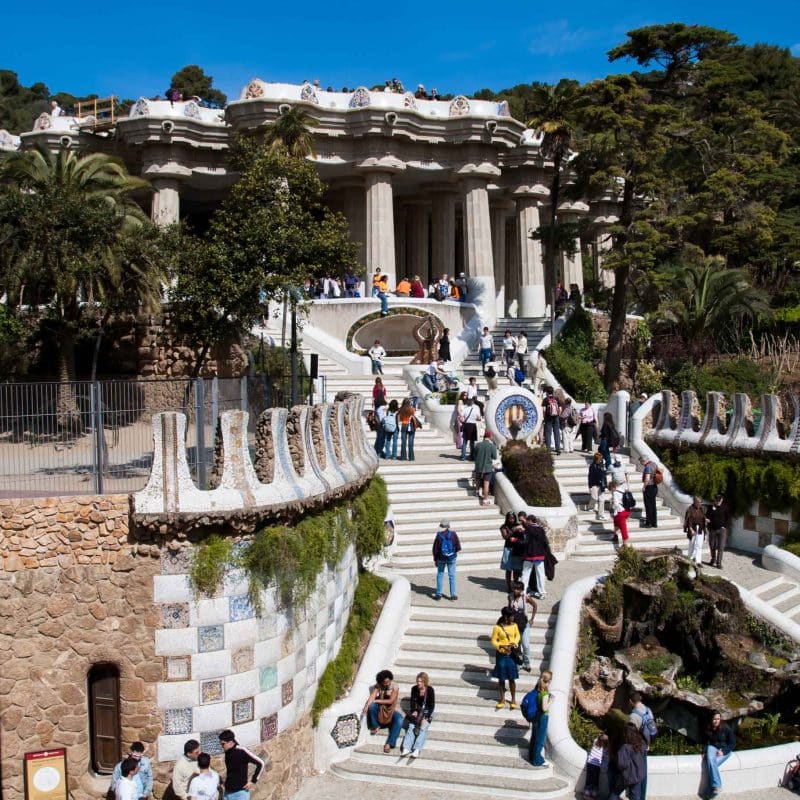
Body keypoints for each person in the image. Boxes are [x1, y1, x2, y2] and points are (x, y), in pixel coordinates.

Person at [362, 670, 404, 753]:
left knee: (399, 719)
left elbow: (390, 701)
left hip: (390, 711)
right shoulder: (378, 685)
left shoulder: (395, 686)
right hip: (380, 709)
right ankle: (375, 726)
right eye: (385, 682)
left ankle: (389, 743)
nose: (387, 684)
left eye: (388, 681)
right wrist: (367, 705)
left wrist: (377, 701)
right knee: (372, 706)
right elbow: (372, 696)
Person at [218, 730, 264, 800]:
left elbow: (261, 763)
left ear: (230, 742)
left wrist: (253, 781)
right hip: (227, 793)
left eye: (223, 744)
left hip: (240, 794)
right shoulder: (227, 752)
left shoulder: (242, 751)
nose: (222, 746)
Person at [628, 690, 657, 800]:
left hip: (637, 747)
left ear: (631, 701)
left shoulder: (634, 716)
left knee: (636, 773)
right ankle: (642, 797)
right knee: (643, 772)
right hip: (646, 745)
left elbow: (630, 735)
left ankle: (636, 797)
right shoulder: (648, 710)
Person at [491, 607, 520, 709]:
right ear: (506, 617)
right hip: (502, 654)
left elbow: (517, 636)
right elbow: (493, 641)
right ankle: (502, 699)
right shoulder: (497, 627)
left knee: (512, 678)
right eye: (511, 616)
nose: (513, 618)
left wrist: (514, 643)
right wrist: (501, 646)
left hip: (511, 654)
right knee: (501, 678)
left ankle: (513, 699)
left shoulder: (514, 625)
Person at [400, 672, 435, 758]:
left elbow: (432, 705)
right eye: (418, 681)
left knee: (423, 728)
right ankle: (407, 748)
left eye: (421, 681)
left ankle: (417, 749)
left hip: (427, 711)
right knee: (411, 726)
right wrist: (414, 711)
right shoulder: (414, 689)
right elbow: (412, 702)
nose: (419, 683)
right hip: (418, 711)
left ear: (425, 682)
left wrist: (426, 717)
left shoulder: (430, 690)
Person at [703, 709, 735, 797]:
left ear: (720, 719)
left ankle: (712, 790)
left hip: (724, 748)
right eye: (714, 719)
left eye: (718, 719)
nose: (716, 721)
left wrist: (723, 751)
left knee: (711, 764)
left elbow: (732, 743)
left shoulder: (726, 728)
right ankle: (717, 786)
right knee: (710, 760)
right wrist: (704, 751)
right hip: (712, 747)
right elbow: (705, 741)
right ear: (711, 719)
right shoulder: (708, 727)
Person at [612, 724, 646, 800]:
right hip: (638, 776)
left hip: (627, 776)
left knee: (615, 793)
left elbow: (622, 764)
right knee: (635, 797)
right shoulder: (641, 744)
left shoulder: (625, 747)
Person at [508, 579, 537, 672]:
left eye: (518, 589)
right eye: (515, 588)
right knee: (517, 644)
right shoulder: (510, 597)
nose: (516, 590)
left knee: (525, 644)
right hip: (514, 624)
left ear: (521, 590)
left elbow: (535, 605)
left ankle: (527, 662)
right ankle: (519, 662)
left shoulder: (525, 597)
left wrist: (532, 619)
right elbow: (509, 609)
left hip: (524, 623)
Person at [521, 515, 549, 599]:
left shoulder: (528, 529)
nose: (526, 522)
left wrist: (517, 540)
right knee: (540, 574)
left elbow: (525, 541)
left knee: (526, 573)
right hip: (540, 555)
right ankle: (542, 592)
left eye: (527, 520)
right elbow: (545, 541)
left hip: (529, 554)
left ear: (530, 521)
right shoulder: (541, 529)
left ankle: (523, 591)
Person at [432, 520, 461, 600]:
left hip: (441, 558)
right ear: (448, 526)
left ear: (441, 526)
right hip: (451, 558)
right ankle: (453, 595)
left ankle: (438, 594)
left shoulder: (438, 535)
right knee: (452, 575)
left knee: (440, 575)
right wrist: (453, 554)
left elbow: (435, 549)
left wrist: (435, 559)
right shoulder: (453, 534)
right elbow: (458, 547)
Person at [529, 670, 553, 766]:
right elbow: (544, 708)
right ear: (549, 680)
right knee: (540, 738)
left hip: (536, 715)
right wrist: (551, 700)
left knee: (534, 736)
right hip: (543, 717)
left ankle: (531, 756)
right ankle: (537, 760)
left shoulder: (537, 690)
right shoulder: (545, 693)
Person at [500, 512, 524, 594]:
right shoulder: (504, 527)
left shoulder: (518, 525)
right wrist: (512, 531)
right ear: (507, 518)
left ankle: (515, 586)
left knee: (516, 569)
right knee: (508, 569)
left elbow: (522, 536)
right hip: (508, 548)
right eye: (510, 518)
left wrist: (520, 530)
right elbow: (505, 537)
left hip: (517, 548)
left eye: (513, 518)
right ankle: (509, 586)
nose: (511, 519)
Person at [474, 430, 498, 506]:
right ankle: (485, 500)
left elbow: (475, 455)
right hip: (487, 467)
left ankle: (477, 492)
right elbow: (494, 457)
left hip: (478, 466)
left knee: (477, 479)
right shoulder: (492, 446)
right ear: (490, 436)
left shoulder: (477, 445)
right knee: (486, 484)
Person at [706, 494, 730, 568]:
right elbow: (707, 516)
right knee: (712, 545)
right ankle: (713, 559)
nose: (718, 502)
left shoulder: (725, 507)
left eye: (719, 500)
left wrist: (724, 526)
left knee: (721, 547)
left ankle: (719, 563)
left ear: (722, 500)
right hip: (712, 529)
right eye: (716, 500)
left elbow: (727, 518)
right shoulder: (710, 507)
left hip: (721, 530)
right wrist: (708, 522)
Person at [583, 733, 609, 799]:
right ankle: (593, 793)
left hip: (590, 763)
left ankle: (587, 792)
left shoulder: (595, 742)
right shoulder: (605, 748)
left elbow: (599, 737)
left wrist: (601, 735)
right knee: (595, 779)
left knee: (589, 778)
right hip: (597, 765)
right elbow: (604, 756)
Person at [684, 495, 707, 566]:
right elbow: (687, 520)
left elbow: (703, 517)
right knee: (692, 544)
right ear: (695, 502)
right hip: (693, 527)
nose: (700, 503)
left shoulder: (702, 509)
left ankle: (698, 561)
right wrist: (690, 529)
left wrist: (706, 520)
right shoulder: (690, 509)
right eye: (698, 502)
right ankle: (690, 559)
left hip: (700, 528)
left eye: (700, 502)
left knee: (699, 545)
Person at [458, 397, 481, 461]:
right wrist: (475, 419)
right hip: (473, 426)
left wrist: (463, 421)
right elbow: (479, 418)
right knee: (472, 443)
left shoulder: (464, 410)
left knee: (464, 442)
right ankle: (472, 457)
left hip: (466, 425)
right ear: (472, 403)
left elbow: (461, 418)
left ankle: (463, 457)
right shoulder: (475, 410)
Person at [588, 452, 608, 521]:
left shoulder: (602, 466)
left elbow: (604, 476)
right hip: (594, 484)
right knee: (594, 497)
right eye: (600, 459)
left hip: (601, 485)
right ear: (596, 459)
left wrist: (605, 485)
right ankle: (590, 507)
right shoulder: (592, 466)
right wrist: (590, 486)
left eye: (601, 459)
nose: (601, 460)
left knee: (602, 500)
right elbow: (590, 476)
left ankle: (601, 515)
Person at [542, 388, 562, 455]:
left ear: (547, 392)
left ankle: (548, 450)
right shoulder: (556, 398)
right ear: (553, 392)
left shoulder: (546, 399)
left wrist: (544, 417)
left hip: (548, 418)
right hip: (556, 418)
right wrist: (558, 415)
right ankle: (558, 450)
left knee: (548, 434)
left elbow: (544, 410)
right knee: (557, 433)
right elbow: (560, 409)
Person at [610, 480, 630, 546]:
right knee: (615, 521)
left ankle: (625, 545)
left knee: (623, 529)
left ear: (613, 487)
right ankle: (615, 535)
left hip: (621, 512)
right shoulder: (623, 489)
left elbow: (616, 504)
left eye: (611, 489)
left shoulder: (615, 493)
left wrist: (614, 507)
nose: (611, 491)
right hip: (627, 510)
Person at [640, 457, 659, 528]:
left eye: (641, 462)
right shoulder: (654, 464)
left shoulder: (647, 467)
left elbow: (647, 478)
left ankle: (649, 523)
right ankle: (654, 523)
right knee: (653, 506)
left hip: (649, 488)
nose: (642, 464)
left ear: (644, 461)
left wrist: (644, 487)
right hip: (654, 487)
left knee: (648, 506)